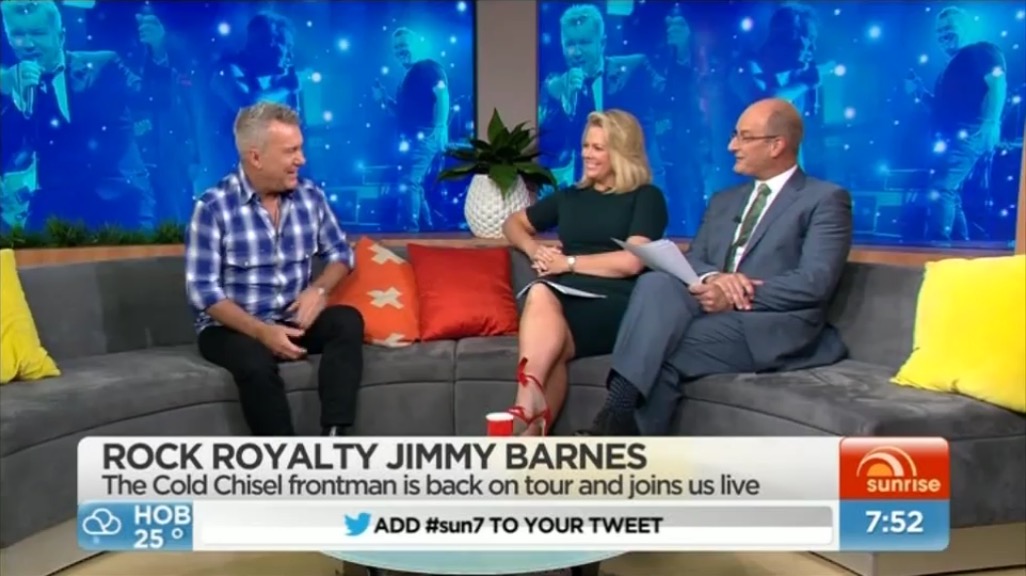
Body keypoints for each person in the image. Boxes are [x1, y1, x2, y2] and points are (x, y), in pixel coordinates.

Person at [581, 98, 852, 436]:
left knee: (659, 347)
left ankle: (617, 426)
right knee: (655, 284)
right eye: (733, 135)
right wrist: (714, 278)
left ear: (776, 145)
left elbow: (815, 282)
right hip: (712, 313)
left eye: (744, 137)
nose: (731, 146)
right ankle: (620, 427)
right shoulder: (725, 200)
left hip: (771, 324)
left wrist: (734, 294)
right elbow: (694, 258)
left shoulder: (824, 199)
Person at [185, 102, 364, 437]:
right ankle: (284, 460)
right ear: (256, 157)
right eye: (291, 151)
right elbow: (203, 292)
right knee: (254, 362)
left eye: (300, 148)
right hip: (232, 329)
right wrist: (261, 332)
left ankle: (335, 439)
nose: (302, 159)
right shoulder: (213, 208)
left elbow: (341, 254)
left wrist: (319, 289)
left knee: (347, 321)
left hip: (291, 318)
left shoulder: (310, 197)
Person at [501, 109, 669, 436]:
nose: (587, 154)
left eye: (598, 148)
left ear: (622, 152)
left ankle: (526, 397)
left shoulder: (646, 197)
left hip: (616, 300)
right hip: (565, 295)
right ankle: (532, 438)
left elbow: (631, 262)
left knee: (541, 291)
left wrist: (568, 264)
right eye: (586, 146)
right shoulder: (571, 197)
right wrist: (534, 250)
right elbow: (512, 223)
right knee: (553, 344)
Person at [0, 0, 154, 230]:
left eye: (38, 33)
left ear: (61, 36)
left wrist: (157, 52)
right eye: (18, 35)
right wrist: (13, 99)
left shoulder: (103, 65)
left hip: (120, 201)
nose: (28, 44)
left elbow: (154, 98)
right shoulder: (14, 87)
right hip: (57, 209)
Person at [372, 26, 450, 232]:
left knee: (410, 182)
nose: (400, 51)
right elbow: (401, 113)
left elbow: (442, 94)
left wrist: (440, 127)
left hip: (426, 135)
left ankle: (412, 229)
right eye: (396, 48)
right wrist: (384, 99)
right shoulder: (407, 78)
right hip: (413, 138)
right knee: (413, 183)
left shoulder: (428, 67)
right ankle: (426, 227)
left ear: (415, 45)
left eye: (403, 45)